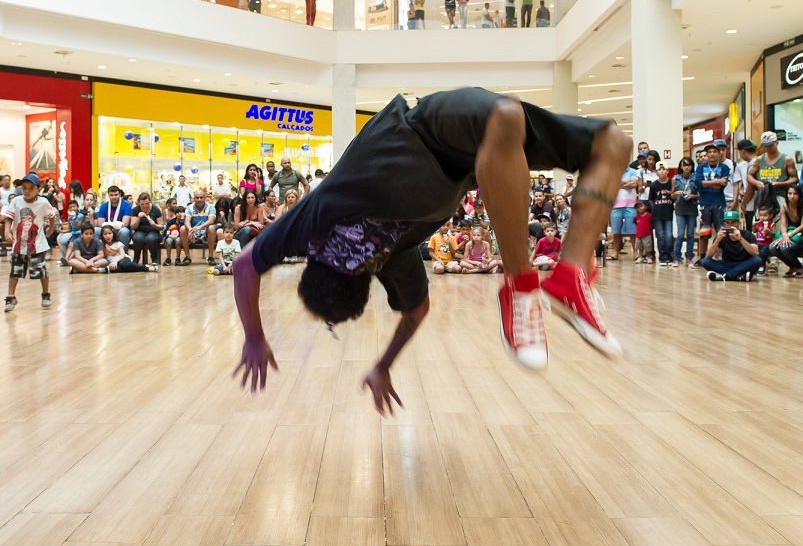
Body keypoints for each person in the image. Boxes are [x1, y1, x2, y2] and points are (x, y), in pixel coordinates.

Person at [232, 89, 631, 412]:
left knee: (592, 137)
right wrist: (254, 336)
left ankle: (536, 284)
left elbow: (414, 313)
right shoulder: (343, 239)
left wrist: (382, 365)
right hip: (471, 157)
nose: (346, 253)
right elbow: (246, 267)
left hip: (424, 129)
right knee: (612, 143)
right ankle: (559, 278)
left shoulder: (341, 233)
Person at [1, 174, 57, 311]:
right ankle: (10, 297)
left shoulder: (43, 202)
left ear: (38, 189)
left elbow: (51, 216)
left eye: (31, 188)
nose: (27, 191)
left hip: (36, 246)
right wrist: (7, 231)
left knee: (41, 270)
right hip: (18, 245)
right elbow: (9, 218)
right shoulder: (16, 201)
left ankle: (45, 294)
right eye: (24, 188)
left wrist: (50, 230)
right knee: (14, 271)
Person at [692, 144, 730, 260]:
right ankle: (702, 256)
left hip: (719, 203)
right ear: (706, 155)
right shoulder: (700, 167)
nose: (712, 154)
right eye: (709, 152)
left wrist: (706, 183)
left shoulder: (724, 168)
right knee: (704, 232)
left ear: (719, 154)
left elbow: (722, 186)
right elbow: (698, 183)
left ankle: (721, 256)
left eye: (714, 151)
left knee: (721, 231)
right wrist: (717, 182)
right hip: (704, 203)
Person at [700, 210, 761, 281]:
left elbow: (755, 252)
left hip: (743, 263)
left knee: (757, 260)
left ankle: (724, 276)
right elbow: (708, 256)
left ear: (739, 223)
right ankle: (738, 276)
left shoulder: (747, 235)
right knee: (705, 261)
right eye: (727, 222)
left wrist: (741, 239)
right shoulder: (722, 236)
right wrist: (717, 240)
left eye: (733, 222)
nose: (730, 225)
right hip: (727, 264)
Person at [748, 130, 798, 209]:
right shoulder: (759, 160)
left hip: (780, 194)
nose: (768, 148)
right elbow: (749, 176)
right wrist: (756, 182)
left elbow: (795, 178)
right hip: (763, 195)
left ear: (777, 142)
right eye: (766, 146)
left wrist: (779, 183)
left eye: (771, 145)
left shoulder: (787, 160)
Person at [769, 185, 803, 276]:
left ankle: (799, 266)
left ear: (800, 195)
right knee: (772, 247)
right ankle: (792, 265)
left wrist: (788, 236)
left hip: (801, 237)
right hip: (789, 236)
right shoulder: (785, 207)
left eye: (795, 194)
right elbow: (783, 224)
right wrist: (784, 235)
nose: (792, 196)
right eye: (790, 193)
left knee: (784, 248)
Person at [672, 157, 697, 267]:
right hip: (680, 207)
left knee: (691, 233)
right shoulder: (675, 179)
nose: (686, 167)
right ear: (681, 167)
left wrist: (693, 196)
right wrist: (676, 194)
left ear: (692, 167)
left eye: (689, 165)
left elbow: (700, 194)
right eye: (684, 165)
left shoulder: (696, 178)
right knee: (680, 233)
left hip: (692, 207)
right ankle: (677, 257)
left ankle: (689, 257)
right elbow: (671, 195)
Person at [648, 164, 675, 266]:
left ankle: (670, 255)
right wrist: (655, 208)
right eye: (660, 169)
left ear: (668, 171)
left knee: (669, 235)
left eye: (664, 169)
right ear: (657, 172)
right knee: (661, 235)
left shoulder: (671, 183)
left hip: (668, 213)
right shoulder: (654, 185)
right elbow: (651, 200)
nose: (662, 171)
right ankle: (662, 256)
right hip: (657, 214)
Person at [181, 191, 217, 264]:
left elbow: (211, 221)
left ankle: (210, 257)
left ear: (205, 198)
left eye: (201, 197)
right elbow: (187, 221)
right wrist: (190, 229)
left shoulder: (211, 207)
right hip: (194, 233)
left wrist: (199, 227)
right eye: (197, 198)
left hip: (206, 233)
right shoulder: (189, 208)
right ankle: (187, 257)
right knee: (182, 228)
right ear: (194, 198)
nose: (199, 199)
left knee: (211, 228)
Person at [129, 192, 164, 265]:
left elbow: (161, 226)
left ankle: (154, 258)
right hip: (139, 231)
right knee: (138, 238)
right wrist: (138, 218)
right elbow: (133, 226)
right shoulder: (136, 210)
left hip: (153, 231)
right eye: (142, 204)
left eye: (147, 203)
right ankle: (136, 259)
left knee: (150, 239)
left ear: (150, 201)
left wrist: (155, 225)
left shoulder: (155, 210)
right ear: (139, 203)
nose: (145, 206)